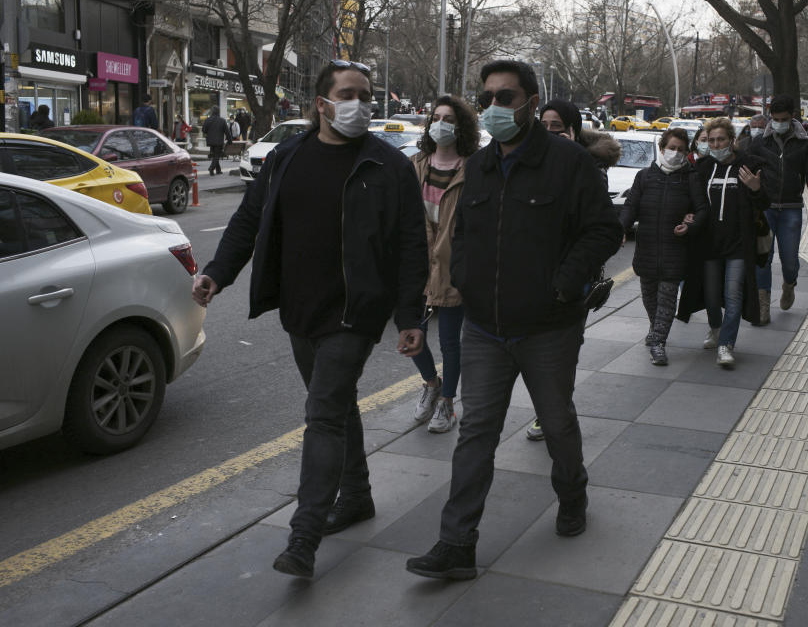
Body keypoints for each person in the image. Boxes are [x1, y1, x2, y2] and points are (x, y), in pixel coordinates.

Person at [192, 60, 427, 578]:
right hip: (300, 308)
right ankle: (359, 495)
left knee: (322, 412)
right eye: (349, 93)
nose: (361, 103)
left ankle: (304, 535)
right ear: (321, 104)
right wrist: (218, 273)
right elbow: (249, 219)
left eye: (366, 94)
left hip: (355, 312)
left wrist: (410, 314)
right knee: (337, 406)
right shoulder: (286, 155)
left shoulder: (388, 166)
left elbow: (413, 245)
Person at [405, 60, 621, 580]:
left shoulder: (569, 163)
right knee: (476, 430)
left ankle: (572, 494)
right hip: (484, 326)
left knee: (558, 420)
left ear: (529, 101)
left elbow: (603, 232)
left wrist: (564, 285)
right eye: (488, 97)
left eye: (506, 97)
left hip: (549, 326)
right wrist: (465, 282)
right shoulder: (477, 166)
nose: (495, 106)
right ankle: (456, 544)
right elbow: (464, 238)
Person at [526, 98, 620, 441]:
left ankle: (552, 412)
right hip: (533, 275)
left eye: (558, 127)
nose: (550, 133)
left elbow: (602, 230)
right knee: (537, 350)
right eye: (544, 125)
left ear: (572, 132)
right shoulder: (530, 163)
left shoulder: (588, 170)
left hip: (573, 280)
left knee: (563, 349)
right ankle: (551, 408)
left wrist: (571, 276)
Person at [410, 95, 480, 433]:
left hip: (454, 268)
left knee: (451, 342)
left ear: (461, 126)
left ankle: (448, 402)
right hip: (417, 266)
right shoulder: (416, 165)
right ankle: (430, 383)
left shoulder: (473, 168)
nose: (440, 124)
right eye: (436, 117)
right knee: (412, 334)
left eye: (449, 118)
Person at [678, 117, 768, 367]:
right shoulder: (702, 168)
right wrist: (688, 214)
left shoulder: (749, 166)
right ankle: (715, 328)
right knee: (710, 295)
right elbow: (692, 200)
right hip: (708, 244)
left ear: (732, 140)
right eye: (711, 140)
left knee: (733, 294)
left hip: (738, 244)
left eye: (721, 140)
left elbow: (765, 203)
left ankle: (726, 344)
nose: (716, 145)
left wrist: (756, 188)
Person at [620, 128, 708, 365]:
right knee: (650, 297)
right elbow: (630, 207)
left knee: (667, 298)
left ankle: (658, 342)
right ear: (661, 148)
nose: (675, 153)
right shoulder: (645, 176)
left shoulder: (690, 177)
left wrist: (690, 226)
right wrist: (620, 229)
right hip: (647, 248)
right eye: (672, 148)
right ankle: (655, 327)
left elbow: (702, 210)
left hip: (676, 249)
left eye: (681, 149)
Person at [748, 95, 808, 325]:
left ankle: (789, 284)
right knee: (764, 257)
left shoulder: (806, 142)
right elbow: (749, 170)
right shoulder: (760, 141)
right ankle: (763, 306)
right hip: (765, 206)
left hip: (791, 207)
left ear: (793, 116)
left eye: (783, 118)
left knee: (789, 259)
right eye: (775, 118)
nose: (779, 122)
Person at [202, 106, 231, 176]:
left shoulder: (207, 120)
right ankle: (211, 168)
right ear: (218, 112)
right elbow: (227, 132)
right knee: (217, 155)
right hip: (218, 141)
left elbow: (204, 130)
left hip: (210, 141)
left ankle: (218, 170)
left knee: (215, 155)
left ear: (212, 112)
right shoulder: (222, 120)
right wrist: (230, 140)